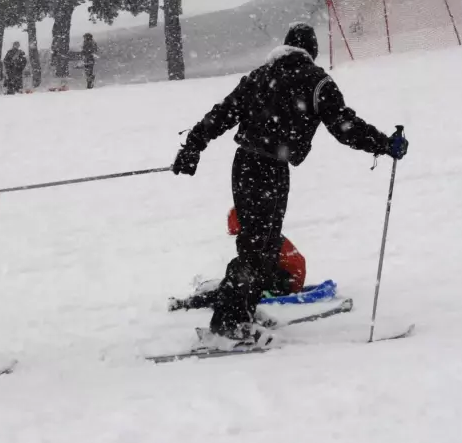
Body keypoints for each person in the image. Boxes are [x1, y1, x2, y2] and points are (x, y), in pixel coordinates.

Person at [171, 22, 406, 342]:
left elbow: (221, 114)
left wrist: (192, 147)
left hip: (245, 165)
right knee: (260, 251)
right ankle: (228, 324)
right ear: (312, 52)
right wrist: (384, 144)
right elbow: (345, 127)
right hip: (271, 169)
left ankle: (240, 311)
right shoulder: (317, 82)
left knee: (260, 247)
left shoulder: (259, 77)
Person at [177, 208, 307, 311]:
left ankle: (196, 302)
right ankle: (209, 295)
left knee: (235, 284)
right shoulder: (265, 232)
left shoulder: (257, 238)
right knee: (236, 274)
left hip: (284, 282)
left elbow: (257, 270)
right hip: (285, 278)